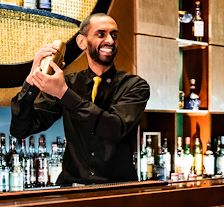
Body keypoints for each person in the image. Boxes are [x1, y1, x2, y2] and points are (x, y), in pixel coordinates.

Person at [10, 13, 150, 185]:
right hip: (72, 192)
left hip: (117, 192)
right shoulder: (68, 83)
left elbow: (115, 128)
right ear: (82, 42)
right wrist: (31, 83)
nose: (111, 41)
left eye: (114, 35)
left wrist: (64, 94)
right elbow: (21, 129)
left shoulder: (135, 86)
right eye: (101, 34)